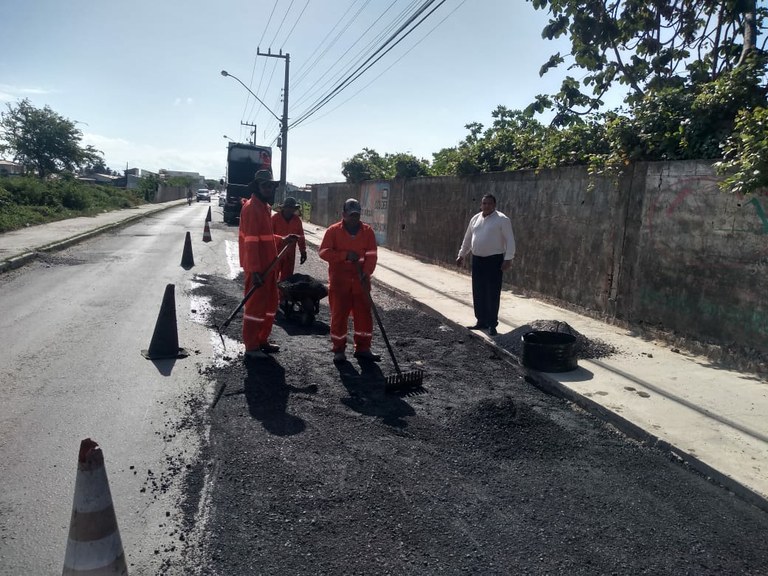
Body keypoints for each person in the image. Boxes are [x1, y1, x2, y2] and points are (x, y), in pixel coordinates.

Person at [238, 170, 297, 358]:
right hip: (259, 269)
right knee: (255, 308)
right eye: (266, 185)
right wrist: (255, 270)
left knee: (271, 305)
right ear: (257, 187)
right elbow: (251, 241)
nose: (269, 188)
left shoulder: (264, 207)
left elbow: (265, 237)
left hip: (269, 266)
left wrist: (282, 239)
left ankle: (262, 339)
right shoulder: (251, 208)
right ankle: (251, 346)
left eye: (271, 185)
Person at [319, 198, 380, 363]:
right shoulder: (333, 231)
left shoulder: (368, 232)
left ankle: (363, 348)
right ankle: (338, 349)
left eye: (357, 215)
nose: (354, 218)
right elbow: (323, 252)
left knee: (364, 317)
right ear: (343, 214)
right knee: (339, 316)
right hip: (340, 283)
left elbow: (372, 256)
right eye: (351, 215)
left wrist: (366, 272)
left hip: (361, 283)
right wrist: (344, 255)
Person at [456, 193, 515, 336]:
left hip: (494, 260)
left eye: (489, 203)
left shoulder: (502, 220)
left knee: (492, 292)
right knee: (478, 290)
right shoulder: (475, 219)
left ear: (494, 205)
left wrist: (508, 259)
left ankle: (491, 324)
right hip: (477, 260)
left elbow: (510, 240)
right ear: (481, 205)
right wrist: (462, 254)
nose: (486, 206)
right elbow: (468, 238)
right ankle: (480, 321)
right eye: (484, 203)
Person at [271, 196, 308, 291]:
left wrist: (303, 251)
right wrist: (281, 239)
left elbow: (301, 236)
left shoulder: (297, 220)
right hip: (276, 252)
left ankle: (283, 299)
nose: (290, 210)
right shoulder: (275, 218)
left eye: (292, 208)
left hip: (290, 254)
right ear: (283, 207)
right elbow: (268, 236)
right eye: (288, 207)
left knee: (287, 278)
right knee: (272, 276)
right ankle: (271, 297)